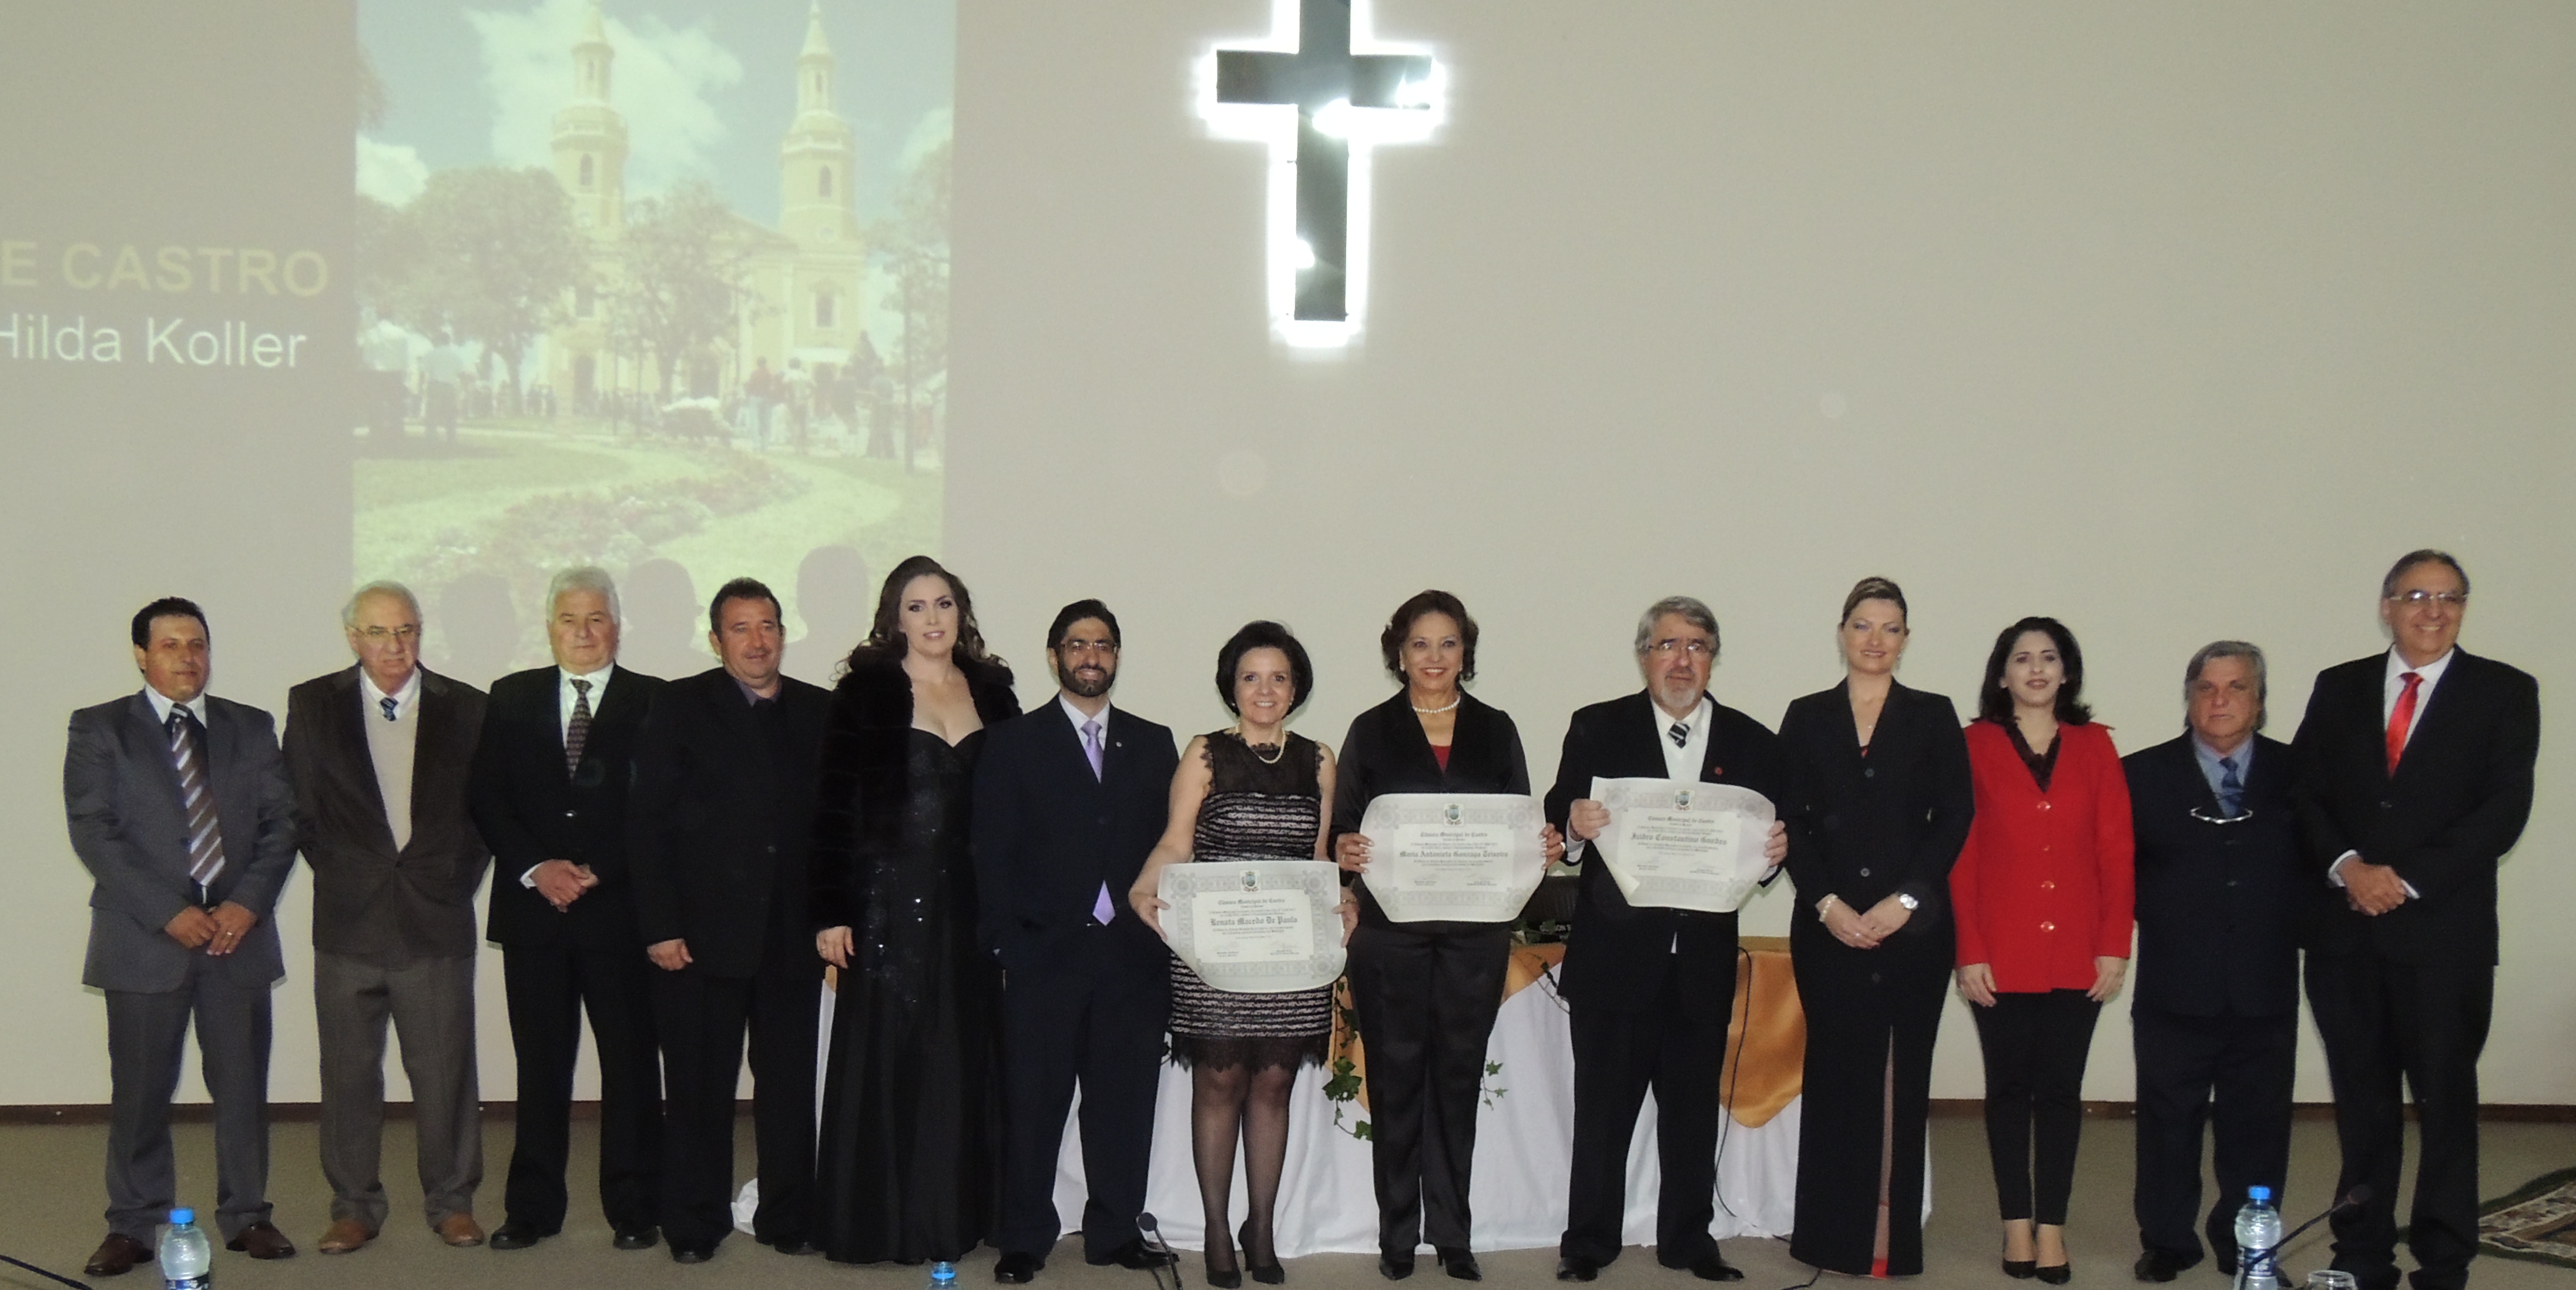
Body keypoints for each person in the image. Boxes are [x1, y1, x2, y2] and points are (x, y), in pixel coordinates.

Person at [2292, 551, 2538, 1290]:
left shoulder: (2503, 691)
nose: (2433, 610)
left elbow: (2503, 810)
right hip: (2346, 938)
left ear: (2463, 608)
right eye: (2416, 595)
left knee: (2445, 1104)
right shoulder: (2339, 687)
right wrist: (2348, 866)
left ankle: (2443, 1257)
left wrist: (2406, 879)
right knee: (2362, 1106)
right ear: (2386, 605)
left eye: (2449, 597)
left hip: (2443, 940)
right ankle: (2361, 1251)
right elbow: (2303, 792)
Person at [1546, 596, 1788, 1285]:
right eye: (1666, 645)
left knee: (1689, 1114)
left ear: (1713, 657)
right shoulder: (1597, 726)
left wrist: (1774, 851)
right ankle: (1587, 1241)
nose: (1681, 660)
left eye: (1697, 646)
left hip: (1701, 963)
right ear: (1643, 654)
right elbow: (1559, 812)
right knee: (1601, 1114)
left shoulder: (1752, 740)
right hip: (1614, 959)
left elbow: (1764, 845)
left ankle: (1689, 1239)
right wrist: (1574, 820)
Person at [1330, 591, 1563, 1282]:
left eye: (1449, 643)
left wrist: (1542, 842)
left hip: (1473, 936)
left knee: (1456, 1081)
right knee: (1397, 1079)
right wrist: (1344, 847)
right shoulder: (1370, 729)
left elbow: (1521, 824)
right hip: (1389, 935)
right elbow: (1343, 826)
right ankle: (1396, 1236)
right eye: (1421, 644)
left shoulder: (1496, 728)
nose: (1435, 658)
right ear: (1397, 652)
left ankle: (1453, 1233)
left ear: (1467, 651)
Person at [68, 598, 300, 1276]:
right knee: (139, 1092)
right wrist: (171, 910)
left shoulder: (250, 726)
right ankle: (134, 1223)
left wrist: (245, 905)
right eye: (170, 644)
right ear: (142, 654)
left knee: (242, 1089)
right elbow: (94, 829)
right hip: (145, 941)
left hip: (237, 939)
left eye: (196, 643)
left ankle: (248, 1214)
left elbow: (281, 825)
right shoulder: (100, 727)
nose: (187, 657)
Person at [810, 555, 1022, 1264]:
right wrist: (831, 910)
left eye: (943, 604)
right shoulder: (864, 692)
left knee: (962, 1056)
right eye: (916, 606)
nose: (932, 619)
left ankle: (954, 1214)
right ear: (892, 619)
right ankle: (882, 1220)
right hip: (886, 905)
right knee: (893, 1055)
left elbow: (1020, 806)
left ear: (961, 612)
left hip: (972, 905)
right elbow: (833, 807)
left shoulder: (994, 691)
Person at [1132, 621, 1349, 1290]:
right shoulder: (1204, 752)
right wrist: (1145, 882)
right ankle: (1217, 1228)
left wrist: (1345, 901)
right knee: (1220, 1081)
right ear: (1232, 684)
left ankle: (1262, 1224)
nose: (1265, 688)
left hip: (1290, 949)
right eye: (1251, 675)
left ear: (1296, 688)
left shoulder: (1319, 757)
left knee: (1274, 1083)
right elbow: (1176, 841)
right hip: (1215, 947)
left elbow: (1319, 860)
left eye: (1278, 676)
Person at [974, 601, 1183, 1283]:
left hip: (1131, 959)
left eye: (1103, 644)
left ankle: (1116, 1230)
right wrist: (1009, 945)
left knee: (1122, 1105)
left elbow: (1172, 849)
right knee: (1033, 1104)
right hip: (1044, 957)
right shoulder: (1012, 742)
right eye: (1076, 643)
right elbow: (991, 851)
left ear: (1117, 656)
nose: (1090, 654)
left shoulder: (1154, 742)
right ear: (1054, 655)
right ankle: (1024, 1236)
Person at [282, 582, 491, 1255]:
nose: (394, 645)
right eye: (378, 632)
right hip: (349, 924)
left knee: (446, 1072)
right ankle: (354, 1206)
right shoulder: (313, 704)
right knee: (348, 1072)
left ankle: (452, 1201)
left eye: (405, 630)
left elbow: (485, 817)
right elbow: (302, 813)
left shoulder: (469, 707)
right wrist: (352, 877)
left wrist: (451, 882)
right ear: (353, 637)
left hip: (435, 921)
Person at [626, 578, 830, 1264]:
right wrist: (659, 925)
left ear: (783, 632)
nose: (757, 640)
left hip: (792, 938)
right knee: (697, 1089)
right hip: (699, 938)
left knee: (789, 1090)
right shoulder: (679, 705)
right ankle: (693, 1221)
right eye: (741, 628)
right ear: (716, 640)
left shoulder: (819, 710)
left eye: (768, 625)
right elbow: (646, 824)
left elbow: (835, 831)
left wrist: (834, 921)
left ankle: (788, 1213)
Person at [469, 567, 669, 1252]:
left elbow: (659, 807)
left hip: (620, 914)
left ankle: (637, 1206)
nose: (582, 632)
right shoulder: (511, 695)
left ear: (617, 624)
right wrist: (536, 868)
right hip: (535, 917)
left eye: (595, 618)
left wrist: (598, 870)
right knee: (540, 1067)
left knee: (632, 1066)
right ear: (548, 625)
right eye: (567, 619)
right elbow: (487, 796)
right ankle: (531, 1208)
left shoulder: (655, 701)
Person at [1780, 577, 1974, 1280]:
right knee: (1836, 1079)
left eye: (1889, 628)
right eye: (1863, 625)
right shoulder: (1806, 715)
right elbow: (1789, 819)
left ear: (1905, 639)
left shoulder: (1932, 714)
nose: (1874, 640)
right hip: (1827, 928)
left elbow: (1954, 816)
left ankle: (1892, 1243)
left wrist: (1908, 900)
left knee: (1900, 1081)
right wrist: (1826, 902)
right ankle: (1829, 1240)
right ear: (1842, 632)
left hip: (1911, 932)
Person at [1950, 616, 2134, 1284]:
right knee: (2007, 1088)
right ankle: (2014, 1223)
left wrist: (2115, 944)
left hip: (2078, 951)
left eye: (2048, 657)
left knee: (2060, 1090)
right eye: (2021, 658)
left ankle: (2052, 1226)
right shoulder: (1971, 744)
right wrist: (1968, 949)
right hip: (1999, 950)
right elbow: (1960, 855)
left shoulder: (2096, 746)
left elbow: (2117, 851)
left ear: (2066, 671)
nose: (2035, 669)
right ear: (2002, 674)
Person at [2125, 642, 2302, 1282]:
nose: (2220, 699)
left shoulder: (2299, 771)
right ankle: (2168, 1238)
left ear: (2258, 699)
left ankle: (2245, 1241)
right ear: (2188, 696)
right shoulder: (2140, 774)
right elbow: (2115, 874)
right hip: (2175, 980)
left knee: (2258, 1123)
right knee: (2167, 1119)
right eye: (2206, 686)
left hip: (2265, 980)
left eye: (2236, 687)